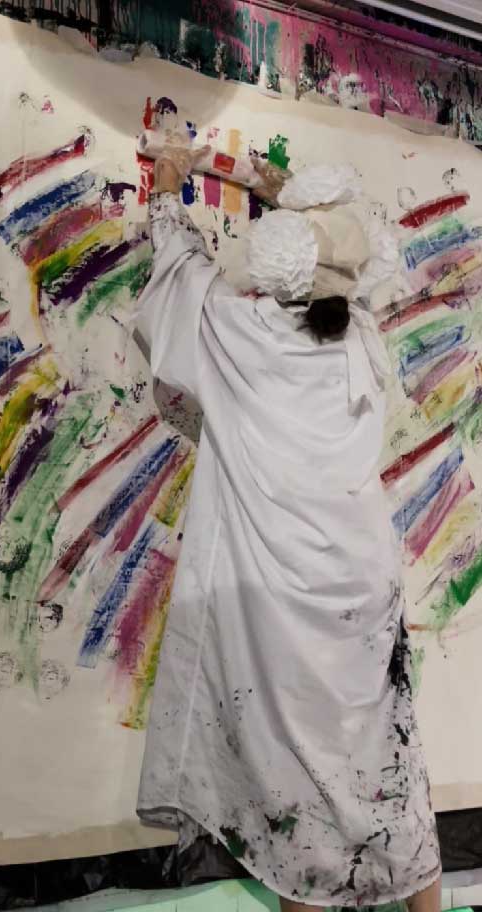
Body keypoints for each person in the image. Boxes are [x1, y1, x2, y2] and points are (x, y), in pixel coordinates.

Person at [135, 143, 441, 912]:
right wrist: (290, 196)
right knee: (388, 759)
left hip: (282, 596)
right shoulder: (360, 332)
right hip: (362, 582)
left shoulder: (241, 335)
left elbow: (180, 274)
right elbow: (349, 258)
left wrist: (167, 188)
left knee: (296, 772)